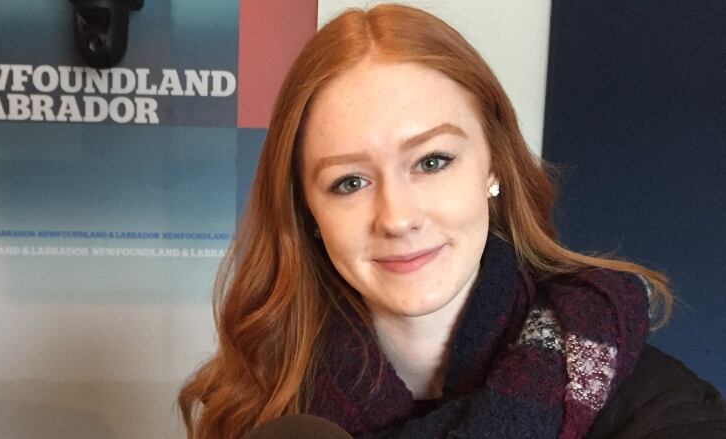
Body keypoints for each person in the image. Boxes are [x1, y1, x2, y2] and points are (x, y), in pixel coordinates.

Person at [179, 5, 726, 439]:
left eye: (432, 161)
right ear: (310, 214)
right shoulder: (251, 405)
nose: (397, 217)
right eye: (349, 182)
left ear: (494, 166)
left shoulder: (645, 402)